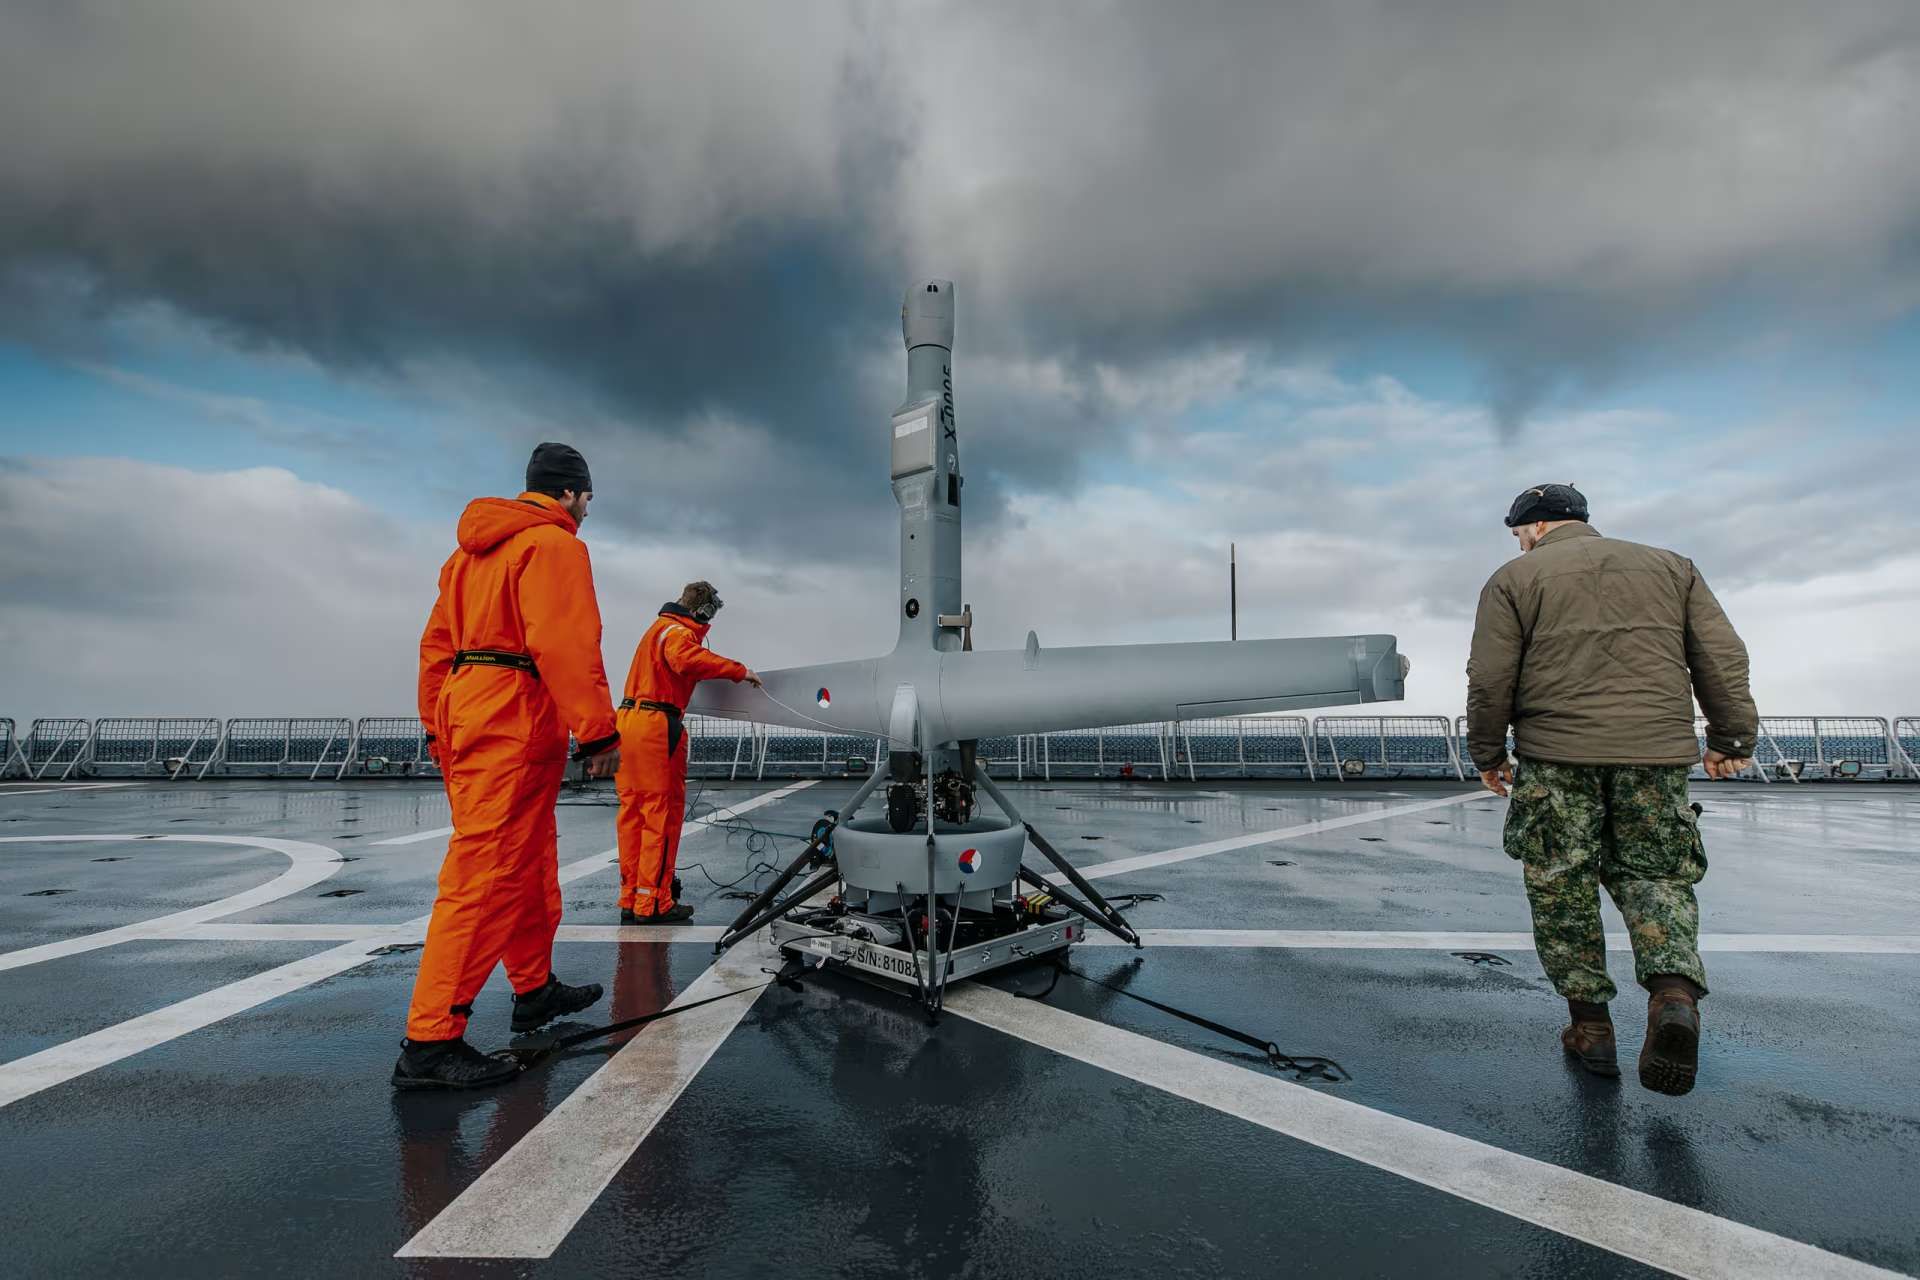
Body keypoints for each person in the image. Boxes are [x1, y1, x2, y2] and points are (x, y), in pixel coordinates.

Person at [1465, 483, 1757, 1096]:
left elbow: (1490, 676)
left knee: (1561, 885)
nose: (1519, 544)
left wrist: (1488, 755)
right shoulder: (1673, 568)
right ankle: (1673, 995)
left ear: (1535, 526)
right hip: (1654, 755)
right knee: (1657, 876)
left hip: (1557, 755)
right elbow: (1721, 656)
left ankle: (1591, 1028)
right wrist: (1730, 738)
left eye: (1518, 533)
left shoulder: (1514, 579)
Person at [392, 442, 622, 1090]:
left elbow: (436, 648)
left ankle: (533, 989)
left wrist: (436, 726)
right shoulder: (554, 546)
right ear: (570, 493)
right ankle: (431, 1043)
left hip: (469, 710)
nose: (586, 509)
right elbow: (566, 642)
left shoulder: (466, 556)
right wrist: (598, 732)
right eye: (587, 497)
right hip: (514, 715)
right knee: (486, 874)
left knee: (528, 861)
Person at [616, 581, 761, 923]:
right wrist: (740, 671)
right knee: (661, 816)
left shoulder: (657, 629)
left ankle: (631, 897)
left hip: (628, 722)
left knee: (633, 815)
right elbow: (685, 660)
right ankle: (654, 903)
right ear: (704, 611)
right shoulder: (679, 633)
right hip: (656, 726)